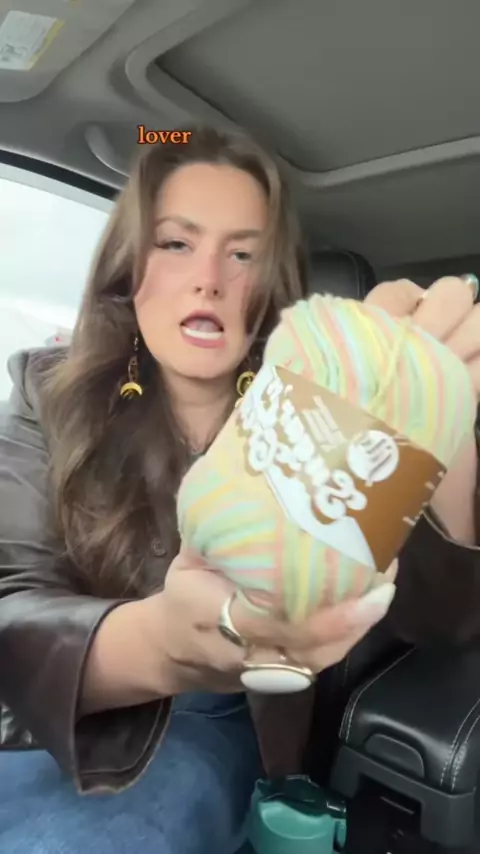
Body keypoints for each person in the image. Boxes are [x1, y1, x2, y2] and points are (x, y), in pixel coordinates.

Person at [0, 125, 479, 854]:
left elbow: (442, 622)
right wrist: (160, 643)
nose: (210, 279)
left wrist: (443, 432)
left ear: (270, 283)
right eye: (177, 243)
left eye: (243, 254)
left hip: (214, 728)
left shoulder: (317, 405)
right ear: (130, 269)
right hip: (43, 713)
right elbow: (12, 608)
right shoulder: (46, 391)